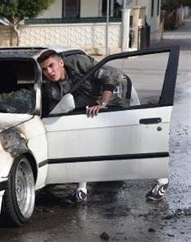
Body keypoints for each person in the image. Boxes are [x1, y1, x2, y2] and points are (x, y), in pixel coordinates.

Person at [38, 49, 168, 202]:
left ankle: (162, 180)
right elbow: (59, 111)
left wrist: (102, 103)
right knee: (83, 140)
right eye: (45, 69)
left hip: (118, 90)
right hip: (91, 105)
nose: (49, 71)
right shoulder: (52, 89)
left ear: (61, 62)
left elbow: (111, 77)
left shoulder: (79, 63)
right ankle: (82, 188)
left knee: (133, 134)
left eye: (51, 66)